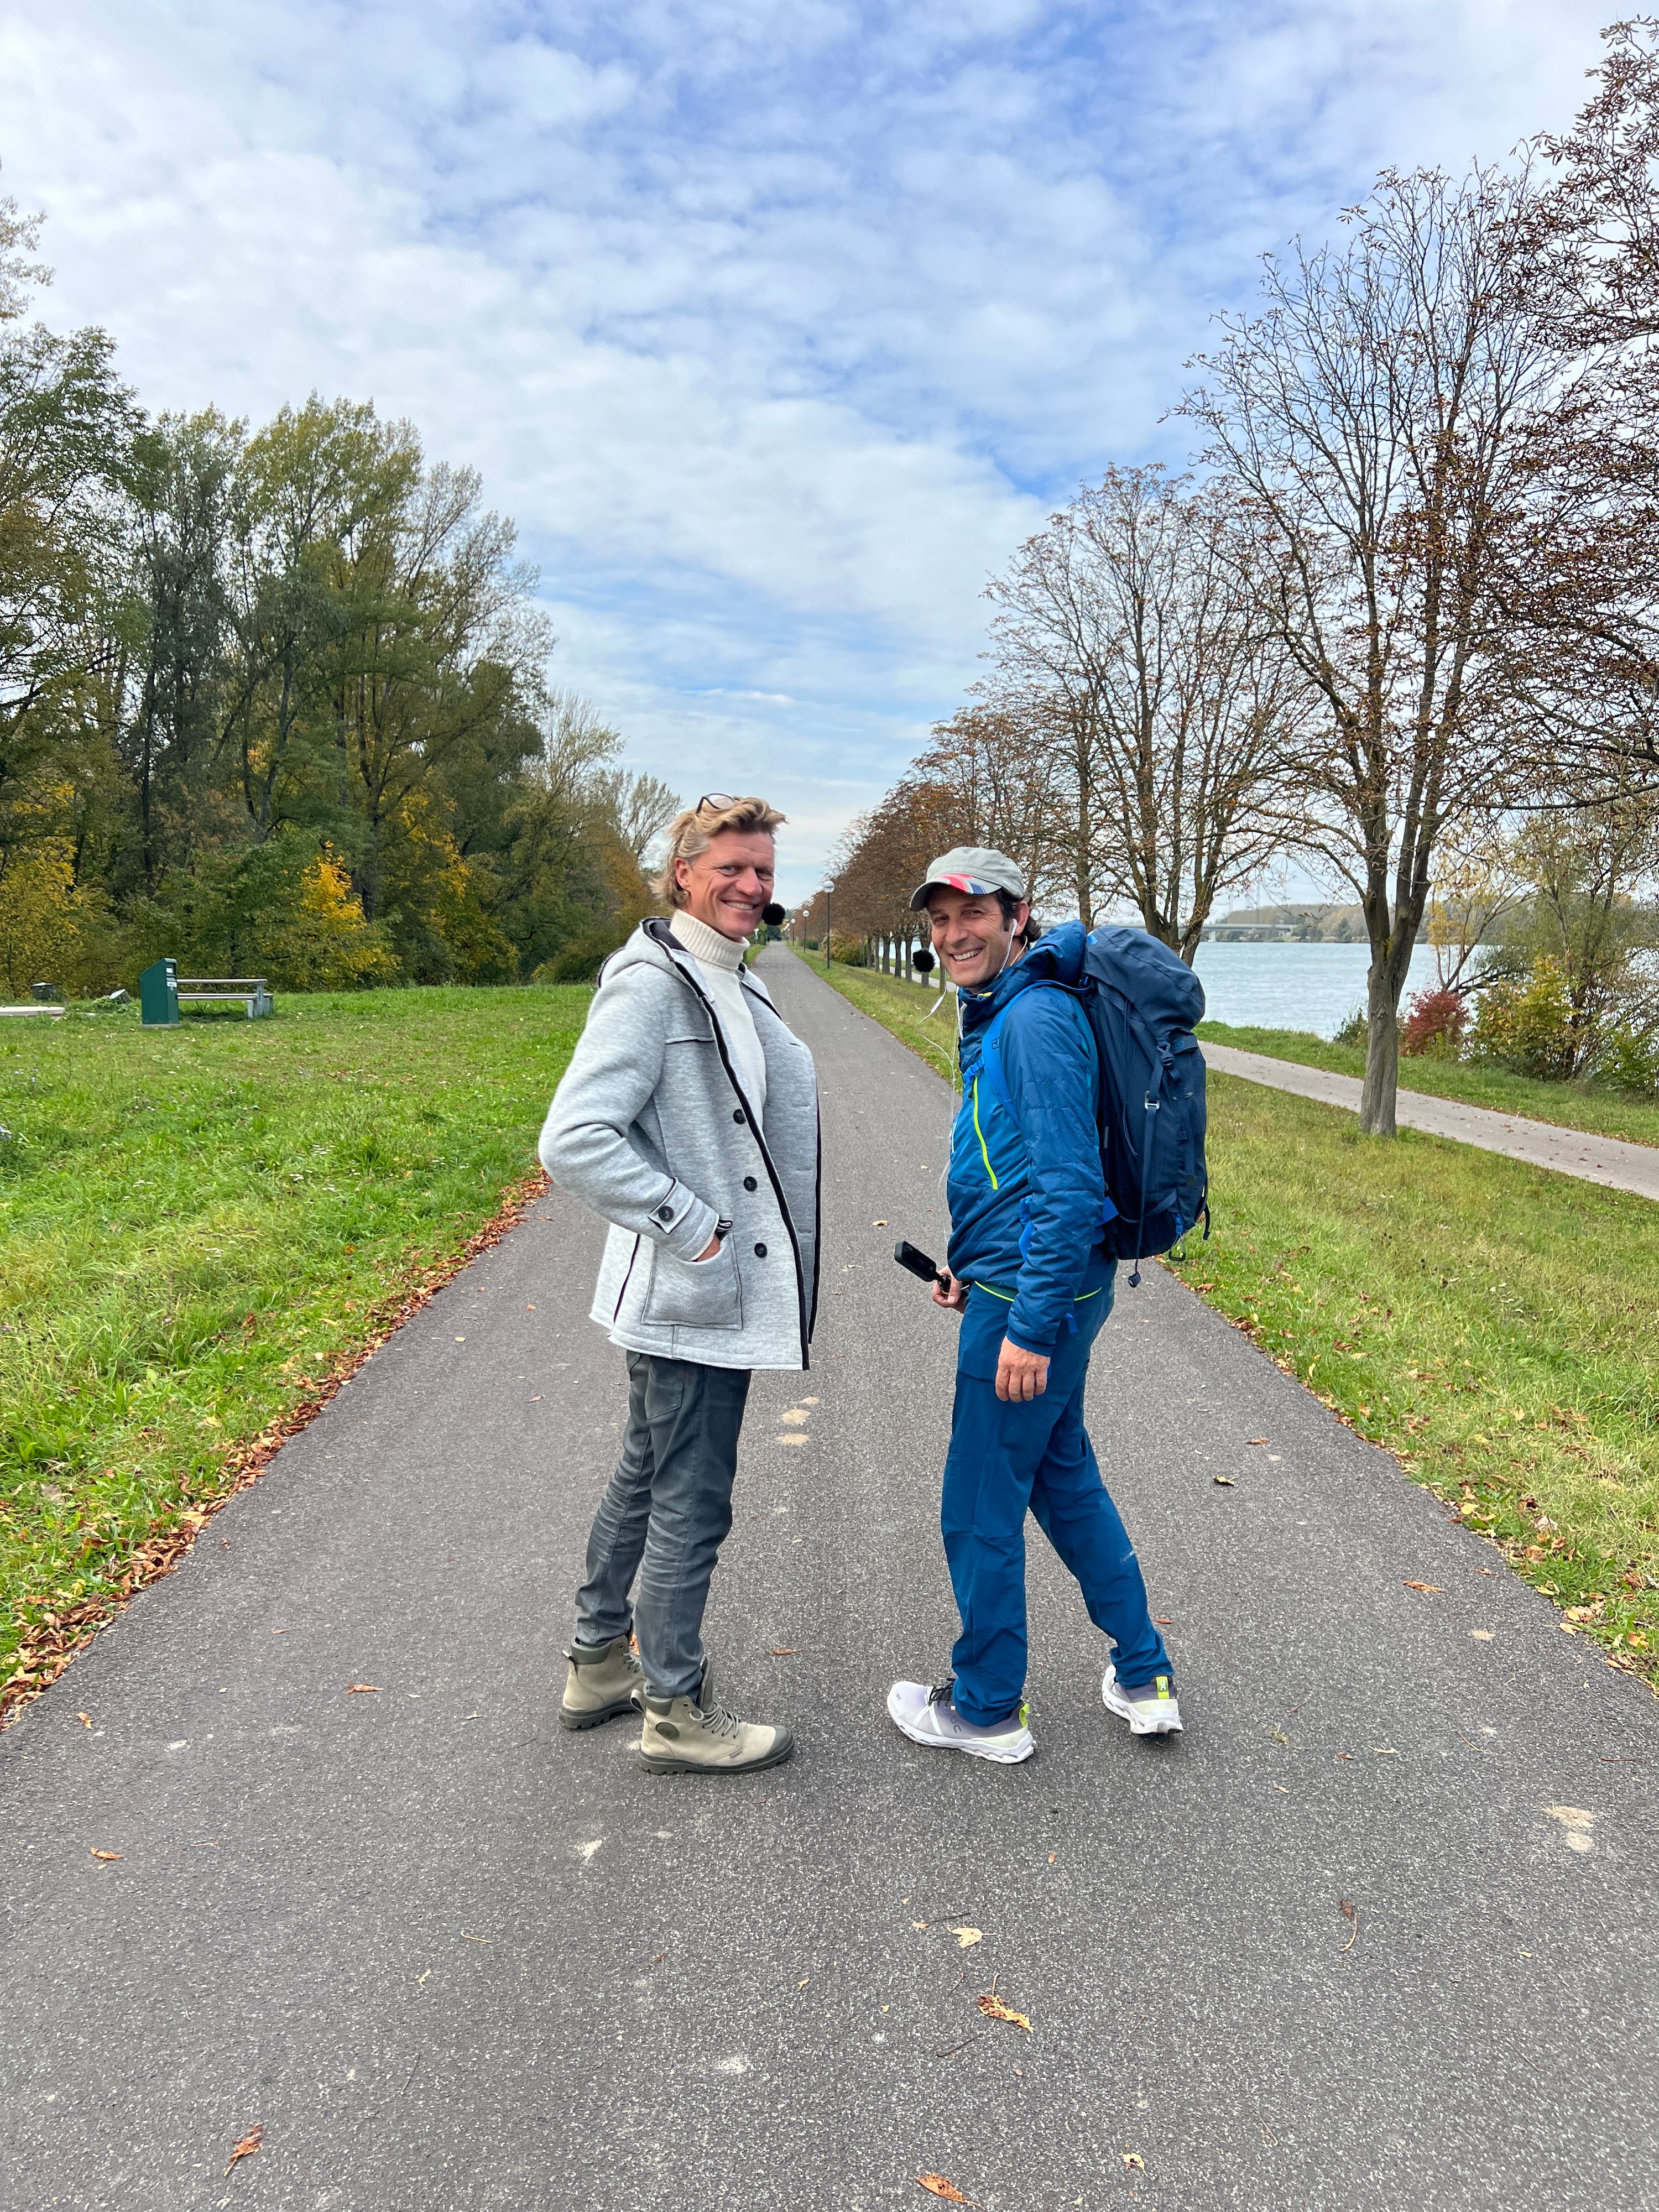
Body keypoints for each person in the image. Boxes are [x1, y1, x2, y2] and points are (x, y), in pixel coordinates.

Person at [539, 795, 818, 1775]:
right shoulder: (654, 984)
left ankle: (597, 1664)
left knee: (647, 1474)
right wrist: (689, 1224)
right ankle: (673, 1706)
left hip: (686, 1291)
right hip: (693, 1292)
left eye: (765, 872)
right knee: (692, 1497)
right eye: (733, 869)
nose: (752, 886)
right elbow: (574, 1140)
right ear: (685, 872)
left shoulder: (721, 975)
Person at [886, 847, 1181, 1764]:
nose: (951, 935)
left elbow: (1066, 1183)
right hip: (1026, 1276)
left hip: (1035, 1293)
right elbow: (1011, 1173)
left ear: (1018, 916)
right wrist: (972, 1266)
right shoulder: (1007, 1011)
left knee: (978, 1503)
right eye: (938, 920)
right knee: (1063, 1477)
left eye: (971, 914)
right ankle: (1144, 1675)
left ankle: (984, 1708)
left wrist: (1025, 1323)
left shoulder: (1034, 1021)